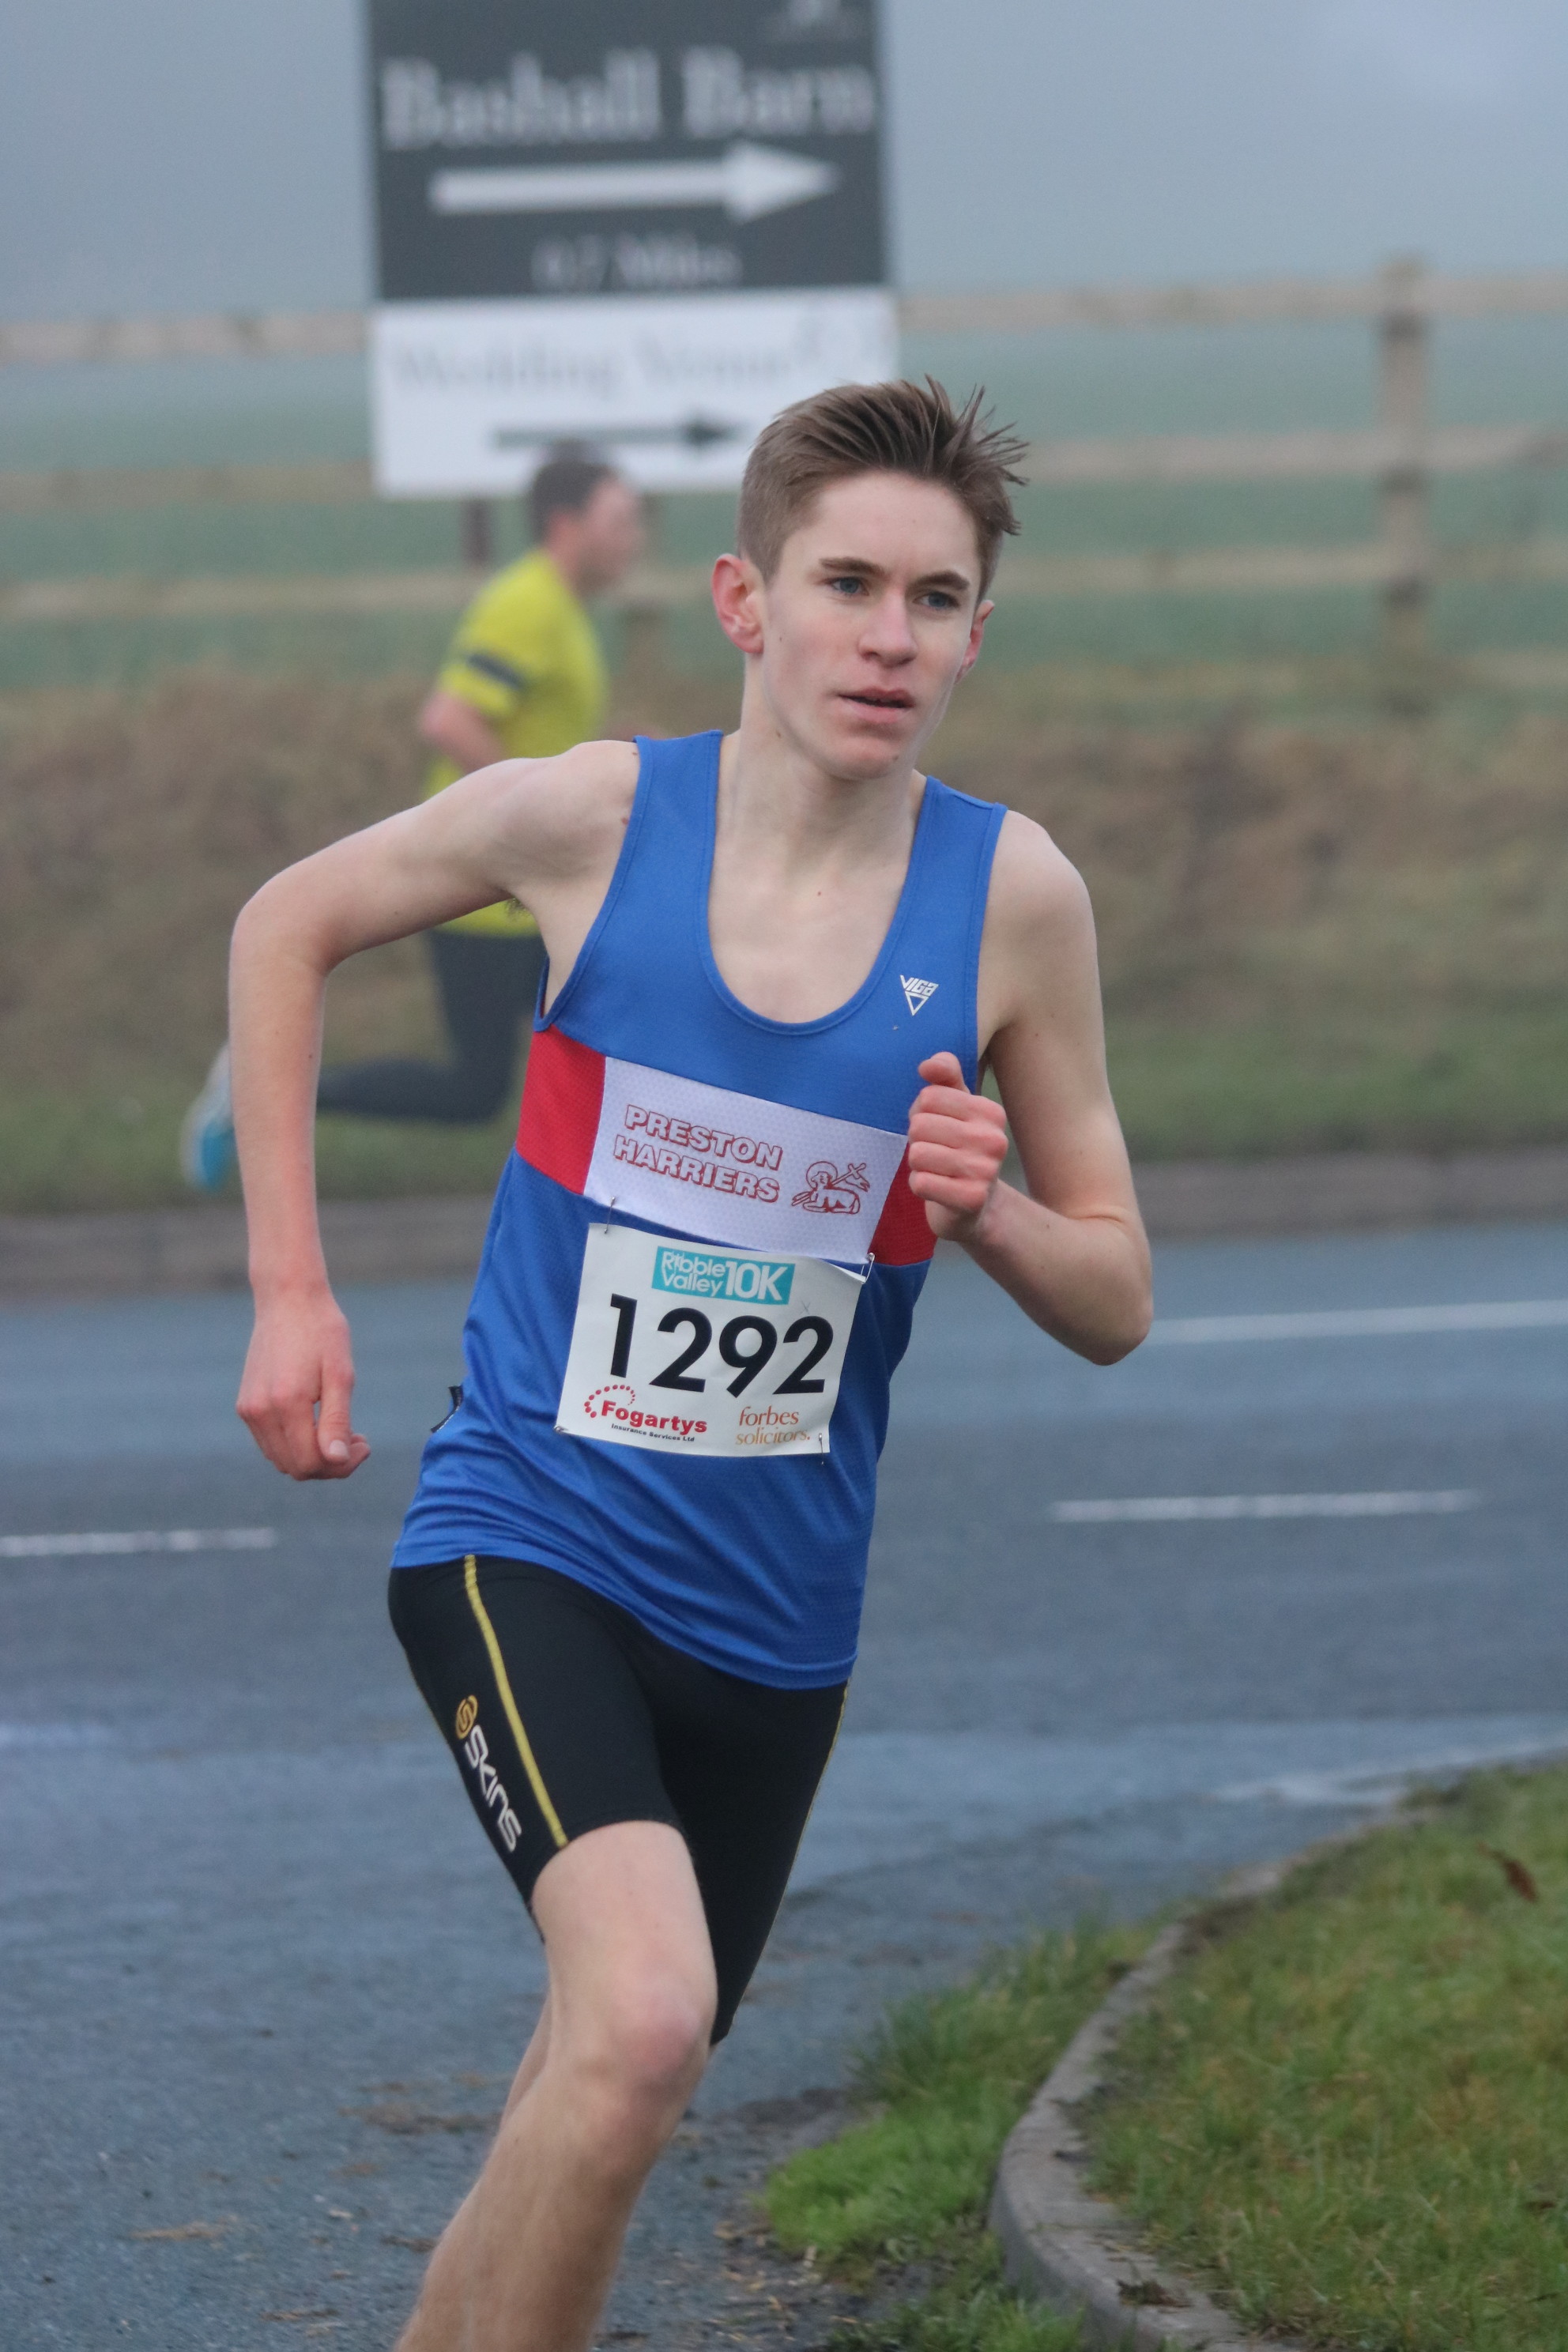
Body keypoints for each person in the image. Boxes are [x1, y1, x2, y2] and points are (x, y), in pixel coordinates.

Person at [228, 378, 1152, 2352]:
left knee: (598, 2092)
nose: (885, 636)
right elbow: (287, 923)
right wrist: (292, 1292)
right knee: (641, 2026)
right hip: (524, 1536)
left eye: (932, 596)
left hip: (776, 1629)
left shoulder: (1012, 901)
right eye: (845, 584)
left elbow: (1115, 1295)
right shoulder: (588, 818)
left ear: (978, 629)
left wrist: (987, 1212)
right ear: (746, 600)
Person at [179, 447, 644, 1189]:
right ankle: (259, 1094)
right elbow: (451, 720)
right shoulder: (527, 604)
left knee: (614, 1025)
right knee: (477, 1087)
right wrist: (530, 828)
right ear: (567, 524)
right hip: (491, 897)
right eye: (620, 519)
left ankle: (625, 1195)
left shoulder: (561, 609)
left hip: (531, 887)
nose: (636, 537)